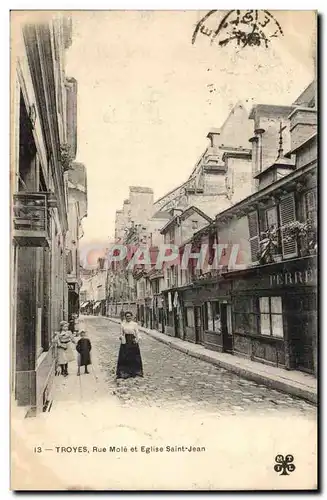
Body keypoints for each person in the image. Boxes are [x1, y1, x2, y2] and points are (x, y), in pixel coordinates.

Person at [116, 311, 143, 379]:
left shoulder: (134, 324)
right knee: (125, 357)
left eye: (129, 316)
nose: (128, 317)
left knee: (134, 357)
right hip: (125, 341)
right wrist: (121, 338)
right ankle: (125, 372)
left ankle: (135, 371)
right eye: (127, 316)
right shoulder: (122, 324)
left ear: (131, 317)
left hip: (133, 341)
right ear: (125, 317)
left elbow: (137, 333)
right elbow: (121, 334)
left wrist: (137, 339)